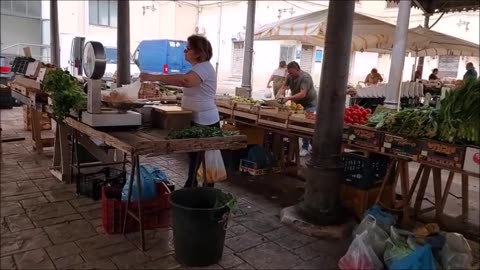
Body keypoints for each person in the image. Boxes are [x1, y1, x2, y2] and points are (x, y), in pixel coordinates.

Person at [140, 35, 218, 188]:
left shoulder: (204, 67)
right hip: (196, 119)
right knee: (194, 157)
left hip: (205, 121)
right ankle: (192, 187)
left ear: (198, 53)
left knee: (204, 159)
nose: (184, 51)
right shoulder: (196, 68)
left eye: (188, 48)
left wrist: (153, 77)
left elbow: (185, 81)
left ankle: (204, 193)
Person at [276, 61, 317, 156]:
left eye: (291, 72)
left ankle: (305, 148)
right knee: (299, 124)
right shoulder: (289, 76)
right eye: (289, 73)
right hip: (298, 104)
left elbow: (303, 94)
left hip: (310, 104)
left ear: (297, 69)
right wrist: (278, 97)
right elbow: (283, 87)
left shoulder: (305, 77)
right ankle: (314, 145)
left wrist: (288, 98)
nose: (290, 75)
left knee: (305, 124)